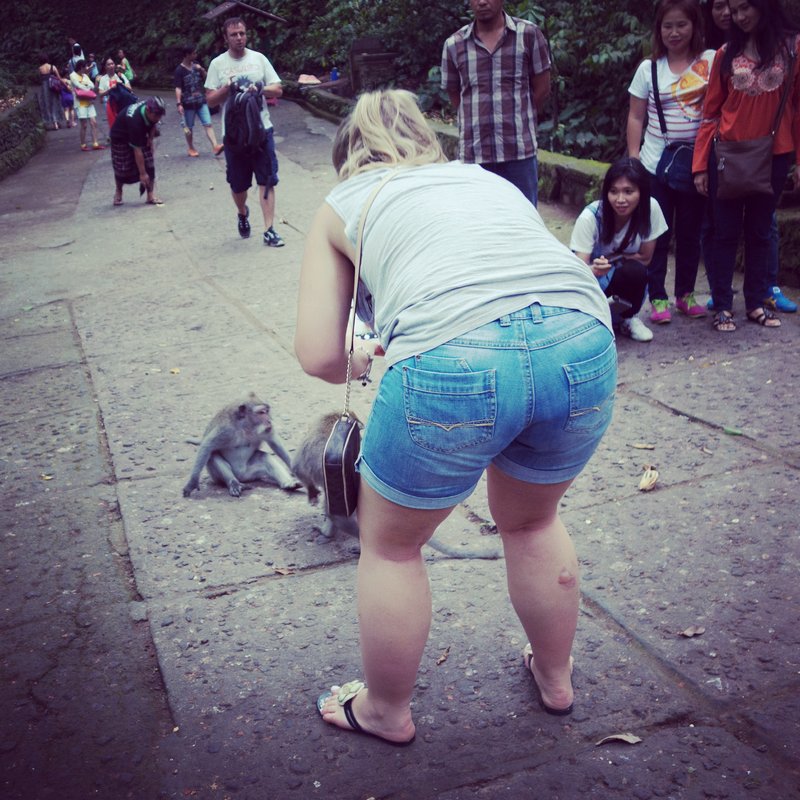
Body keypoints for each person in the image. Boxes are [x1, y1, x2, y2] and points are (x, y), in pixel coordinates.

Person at [296, 90, 616, 745]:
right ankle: (556, 678)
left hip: (452, 358)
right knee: (533, 522)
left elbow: (319, 355)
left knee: (391, 547)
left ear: (346, 154)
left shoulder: (346, 203)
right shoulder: (483, 178)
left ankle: (386, 709)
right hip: (582, 337)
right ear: (426, 136)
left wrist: (360, 358)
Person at [692, 0, 800, 332]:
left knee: (759, 231)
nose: (739, 16)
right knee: (724, 233)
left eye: (746, 7)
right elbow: (710, 113)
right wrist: (699, 166)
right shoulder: (725, 54)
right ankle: (722, 305)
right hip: (727, 156)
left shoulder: (792, 50)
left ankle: (755, 302)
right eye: (734, 10)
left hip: (774, 155)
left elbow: (797, 109)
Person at [627, 0, 715, 325]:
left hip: (696, 165)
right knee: (658, 234)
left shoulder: (709, 62)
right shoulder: (648, 69)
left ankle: (686, 295)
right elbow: (636, 116)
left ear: (694, 26)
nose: (675, 32)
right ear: (658, 30)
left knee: (691, 232)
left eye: (681, 25)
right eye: (668, 26)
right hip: (655, 164)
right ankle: (658, 297)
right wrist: (634, 160)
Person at [440, 0, 551, 205]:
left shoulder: (528, 35)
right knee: (478, 224)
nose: (482, 2)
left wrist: (517, 116)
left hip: (518, 153)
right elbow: (455, 95)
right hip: (475, 156)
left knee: (523, 222)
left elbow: (542, 88)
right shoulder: (454, 45)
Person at [205, 17, 284, 246]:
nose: (239, 38)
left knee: (267, 179)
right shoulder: (218, 64)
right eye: (234, 35)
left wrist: (260, 88)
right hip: (234, 135)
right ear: (226, 38)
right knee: (238, 185)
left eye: (242, 33)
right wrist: (227, 88)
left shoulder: (259, 59)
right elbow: (210, 100)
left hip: (261, 131)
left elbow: (277, 89)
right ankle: (242, 212)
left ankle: (269, 229)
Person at [570, 158, 668, 343]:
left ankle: (628, 318)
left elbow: (646, 258)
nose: (620, 200)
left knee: (636, 270)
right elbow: (578, 272)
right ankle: (594, 318)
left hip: (622, 276)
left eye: (628, 192)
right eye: (613, 192)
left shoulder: (651, 208)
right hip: (592, 284)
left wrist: (614, 259)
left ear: (641, 192)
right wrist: (595, 270)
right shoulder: (590, 218)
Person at [109, 96, 166, 206]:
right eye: (156, 115)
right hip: (120, 137)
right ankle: (118, 191)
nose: (158, 118)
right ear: (148, 111)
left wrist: (150, 138)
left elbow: (153, 123)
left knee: (149, 163)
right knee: (122, 168)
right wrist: (142, 174)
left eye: (160, 115)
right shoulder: (135, 121)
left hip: (138, 133)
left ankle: (150, 196)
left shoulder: (152, 109)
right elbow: (137, 150)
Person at [174, 43, 224, 158]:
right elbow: (178, 88)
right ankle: (191, 147)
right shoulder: (179, 70)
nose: (195, 55)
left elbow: (207, 77)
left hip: (201, 101)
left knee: (208, 123)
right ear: (187, 55)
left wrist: (201, 69)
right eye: (193, 53)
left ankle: (215, 146)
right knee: (189, 127)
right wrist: (179, 103)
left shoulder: (196, 65)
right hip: (187, 103)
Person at [69, 59, 104, 151]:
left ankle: (95, 143)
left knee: (94, 123)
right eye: (86, 67)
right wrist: (87, 87)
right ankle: (83, 144)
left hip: (89, 102)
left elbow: (92, 86)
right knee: (84, 125)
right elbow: (79, 86)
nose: (87, 68)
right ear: (81, 67)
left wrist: (89, 85)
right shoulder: (72, 75)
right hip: (80, 104)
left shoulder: (85, 76)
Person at [96, 56, 132, 131]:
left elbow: (130, 89)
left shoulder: (120, 76)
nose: (111, 66)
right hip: (111, 104)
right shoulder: (103, 79)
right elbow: (100, 93)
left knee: (125, 123)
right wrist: (110, 89)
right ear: (105, 67)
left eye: (112, 63)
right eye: (108, 64)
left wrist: (120, 84)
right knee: (114, 124)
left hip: (123, 103)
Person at [37, 52, 63, 131]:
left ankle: (51, 122)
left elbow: (39, 79)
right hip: (53, 87)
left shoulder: (40, 68)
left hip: (45, 89)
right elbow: (59, 78)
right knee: (55, 103)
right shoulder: (52, 67)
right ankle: (57, 121)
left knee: (47, 105)